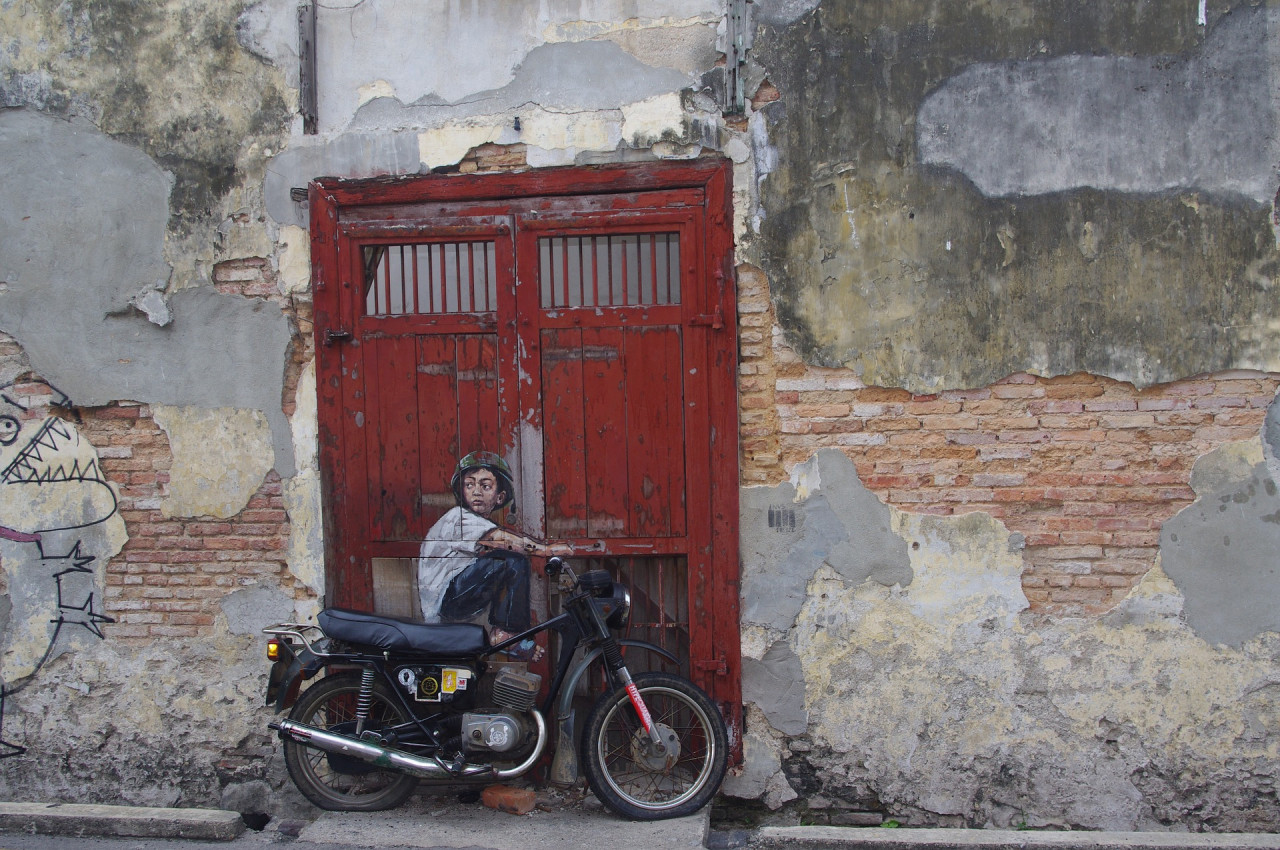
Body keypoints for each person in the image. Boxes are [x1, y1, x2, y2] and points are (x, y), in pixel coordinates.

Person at [417, 451, 570, 660]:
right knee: (510, 561)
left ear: (500, 496)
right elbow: (502, 540)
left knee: (505, 562)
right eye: (469, 485)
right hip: (446, 603)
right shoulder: (458, 518)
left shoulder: (478, 524)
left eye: (485, 486)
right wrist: (544, 550)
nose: (476, 491)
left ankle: (503, 632)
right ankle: (505, 633)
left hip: (456, 602)